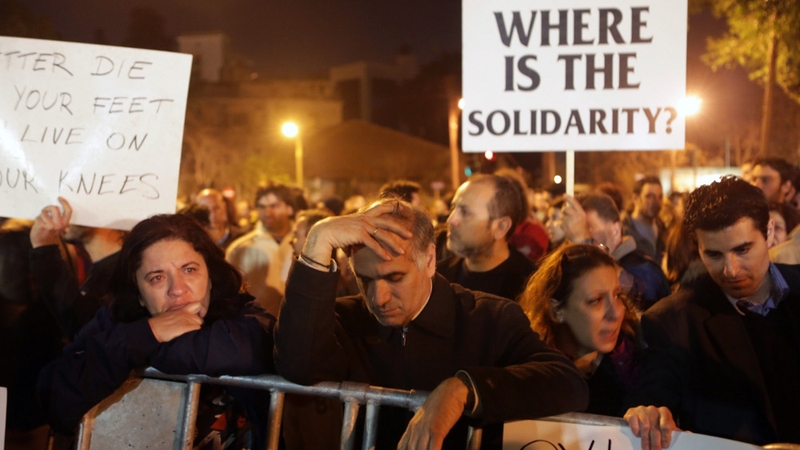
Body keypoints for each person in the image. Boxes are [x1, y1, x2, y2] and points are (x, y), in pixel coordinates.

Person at [274, 198, 589, 449]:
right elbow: (299, 364)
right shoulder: (344, 317)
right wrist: (319, 239)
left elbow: (566, 383)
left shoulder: (490, 317)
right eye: (364, 279)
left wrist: (463, 388)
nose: (378, 297)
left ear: (429, 260)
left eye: (394, 277)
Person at [37, 214, 276, 447]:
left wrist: (143, 344)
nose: (177, 289)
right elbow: (56, 397)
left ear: (211, 277)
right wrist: (147, 333)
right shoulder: (115, 320)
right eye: (157, 277)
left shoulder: (244, 315)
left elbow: (247, 349)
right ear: (138, 294)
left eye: (189, 270)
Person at [624, 176, 800, 449]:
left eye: (742, 250)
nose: (730, 270)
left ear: (769, 232)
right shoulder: (673, 321)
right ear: (698, 248)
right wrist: (648, 413)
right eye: (714, 255)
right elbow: (653, 396)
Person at [520, 244, 642, 417]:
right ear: (556, 311)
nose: (615, 313)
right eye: (596, 300)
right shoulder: (529, 369)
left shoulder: (638, 362)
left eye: (617, 295)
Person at [30, 197, 125, 337]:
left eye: (73, 203)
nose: (62, 214)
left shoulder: (124, 274)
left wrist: (44, 248)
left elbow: (84, 331)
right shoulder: (109, 266)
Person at [562, 193, 671, 310]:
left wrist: (584, 241)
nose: (577, 233)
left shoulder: (645, 268)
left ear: (615, 230)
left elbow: (637, 298)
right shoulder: (578, 264)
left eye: (588, 227)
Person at [438, 174, 536, 301]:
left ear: (501, 227)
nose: (451, 220)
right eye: (453, 208)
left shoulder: (532, 288)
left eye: (465, 212)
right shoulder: (437, 277)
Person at [226, 181, 295, 310]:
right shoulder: (240, 249)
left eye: (274, 206)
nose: (268, 212)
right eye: (262, 207)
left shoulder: (306, 244)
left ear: (289, 209)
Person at [622, 176, 665, 263]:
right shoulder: (622, 232)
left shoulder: (665, 231)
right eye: (649, 196)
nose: (656, 202)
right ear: (635, 198)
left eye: (659, 197)